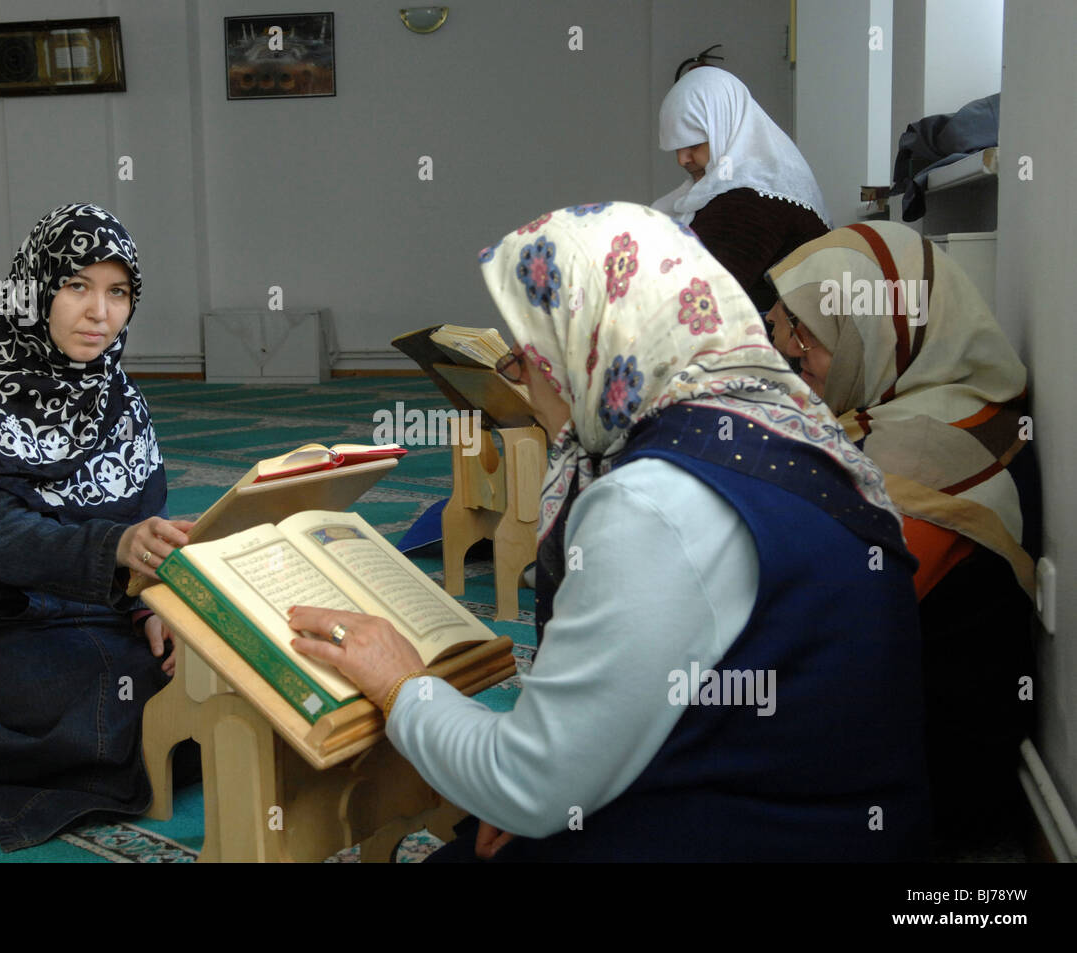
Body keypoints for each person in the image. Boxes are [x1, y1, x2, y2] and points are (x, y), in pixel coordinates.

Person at [288, 202, 931, 861]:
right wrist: (562, 779)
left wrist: (402, 687)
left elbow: (526, 783)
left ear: (589, 345)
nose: (521, 382)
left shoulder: (652, 501)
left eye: (527, 354)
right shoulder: (787, 423)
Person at [0, 204, 194, 851]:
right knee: (139, 704)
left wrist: (154, 605)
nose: (99, 312)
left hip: (95, 611)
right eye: (77, 285)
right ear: (37, 288)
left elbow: (147, 516)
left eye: (118, 292)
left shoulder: (118, 396)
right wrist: (118, 547)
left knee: (214, 670)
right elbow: (0, 540)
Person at [766, 221, 1038, 846]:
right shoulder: (932, 403)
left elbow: (828, 611)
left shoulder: (923, 446)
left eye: (809, 333)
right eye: (787, 328)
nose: (793, 354)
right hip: (901, 735)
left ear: (881, 329)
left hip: (930, 783)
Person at [652, 67, 831, 312]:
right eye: (676, 148)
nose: (682, 159)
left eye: (693, 144)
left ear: (724, 126)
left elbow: (698, 297)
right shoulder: (761, 183)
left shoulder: (751, 202)